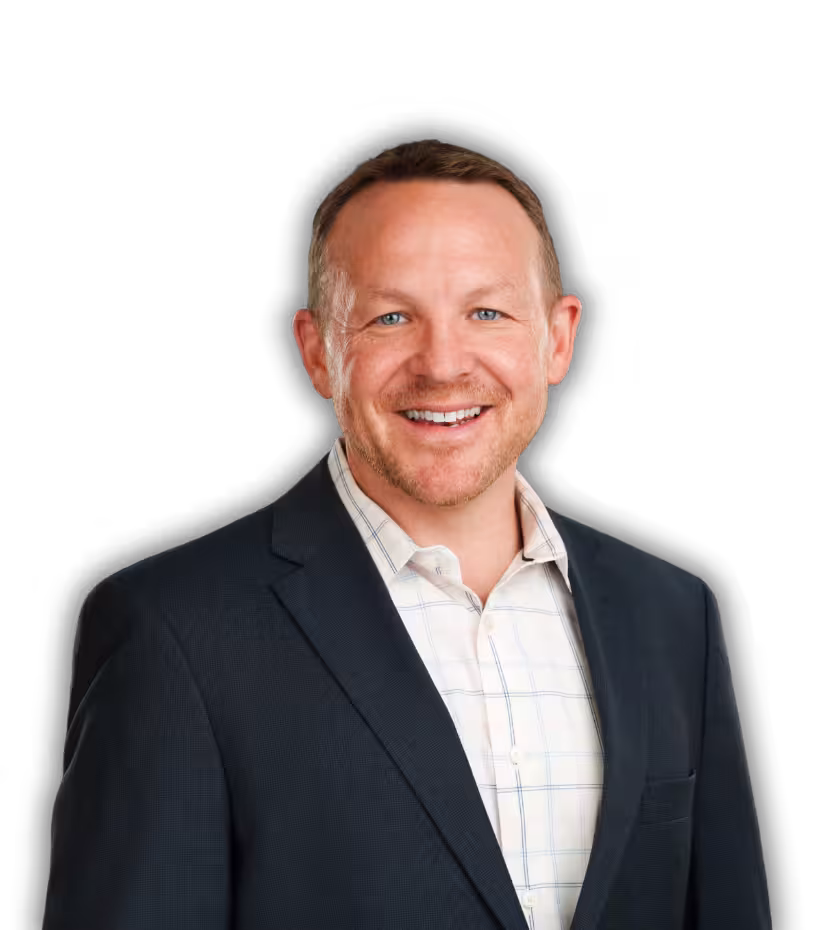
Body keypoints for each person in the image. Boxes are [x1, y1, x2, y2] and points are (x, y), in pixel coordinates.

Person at [42, 140, 771, 929]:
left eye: (486, 312)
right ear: (318, 352)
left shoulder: (674, 616)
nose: (444, 363)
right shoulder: (171, 630)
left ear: (558, 340)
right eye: (392, 317)